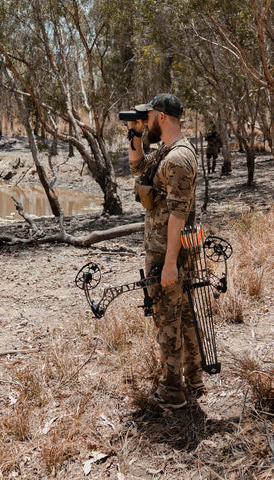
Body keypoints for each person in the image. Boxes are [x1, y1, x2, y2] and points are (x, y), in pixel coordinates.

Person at [127, 93, 204, 409]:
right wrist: (134, 134)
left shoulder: (177, 159)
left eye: (147, 119)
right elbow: (138, 168)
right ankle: (194, 379)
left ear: (160, 117)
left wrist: (170, 263)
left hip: (169, 254)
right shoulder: (166, 153)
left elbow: (178, 214)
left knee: (168, 320)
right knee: (183, 316)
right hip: (166, 251)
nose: (145, 123)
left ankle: (173, 392)